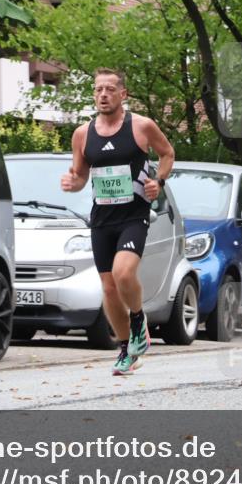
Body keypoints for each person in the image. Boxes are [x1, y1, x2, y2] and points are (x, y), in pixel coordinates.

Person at [60, 68, 175, 375]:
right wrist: (73, 182)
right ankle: (126, 349)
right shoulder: (83, 134)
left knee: (124, 273)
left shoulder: (141, 126)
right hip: (102, 218)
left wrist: (158, 182)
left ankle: (138, 319)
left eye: (110, 89)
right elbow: (81, 175)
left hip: (134, 215)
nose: (103, 94)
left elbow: (167, 154)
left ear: (123, 94)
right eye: (98, 89)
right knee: (109, 289)